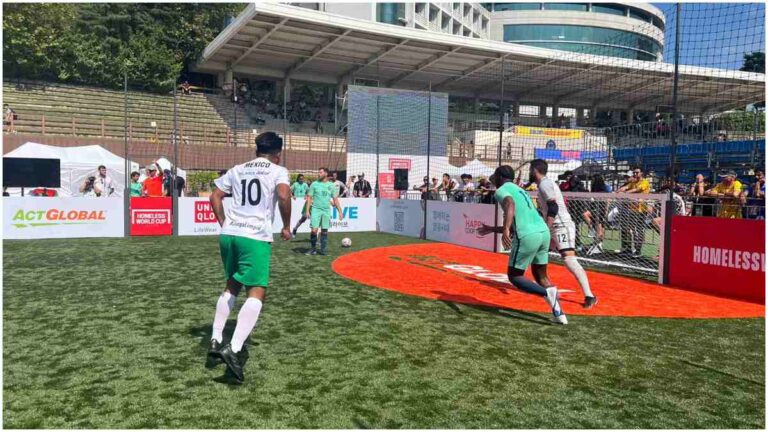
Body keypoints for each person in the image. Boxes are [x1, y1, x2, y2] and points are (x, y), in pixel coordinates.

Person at [206, 131, 292, 384]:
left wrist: (224, 223)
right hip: (254, 237)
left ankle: (215, 337)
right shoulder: (277, 170)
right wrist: (286, 226)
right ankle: (232, 349)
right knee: (257, 291)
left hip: (230, 235)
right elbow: (285, 195)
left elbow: (215, 196)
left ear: (257, 150)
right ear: (278, 153)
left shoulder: (238, 168)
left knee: (232, 285)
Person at [477, 165, 567, 325]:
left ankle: (547, 292)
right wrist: (492, 229)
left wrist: (505, 229)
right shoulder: (520, 190)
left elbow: (509, 204)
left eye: (495, 176)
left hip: (527, 236)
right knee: (541, 276)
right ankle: (559, 313)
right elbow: (516, 220)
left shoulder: (502, 190)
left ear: (500, 177)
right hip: (543, 232)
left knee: (515, 276)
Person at [529, 159, 597, 309]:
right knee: (539, 253)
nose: (529, 172)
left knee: (569, 260)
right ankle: (545, 285)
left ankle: (590, 295)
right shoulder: (544, 184)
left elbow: (553, 207)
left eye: (530, 169)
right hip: (555, 226)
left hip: (561, 226)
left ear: (535, 170)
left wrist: (547, 227)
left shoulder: (545, 184)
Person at [305, 167, 343, 255]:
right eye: (319, 172)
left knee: (324, 231)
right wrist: (307, 211)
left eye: (321, 172)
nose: (319, 174)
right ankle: (313, 249)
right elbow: (309, 198)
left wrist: (340, 211)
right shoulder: (314, 184)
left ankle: (323, 250)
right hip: (315, 209)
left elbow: (335, 200)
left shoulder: (331, 185)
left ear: (326, 174)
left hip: (326, 211)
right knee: (314, 230)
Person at [617, 168, 650, 257]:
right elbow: (626, 187)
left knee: (639, 230)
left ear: (641, 173)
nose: (635, 174)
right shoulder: (633, 182)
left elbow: (637, 190)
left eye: (637, 172)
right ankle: (629, 249)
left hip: (641, 210)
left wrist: (625, 193)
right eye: (634, 172)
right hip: (632, 209)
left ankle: (638, 251)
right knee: (630, 229)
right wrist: (619, 190)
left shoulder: (645, 182)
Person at [582, 174, 608, 255]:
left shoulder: (603, 190)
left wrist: (606, 211)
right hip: (594, 208)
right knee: (596, 223)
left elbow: (606, 201)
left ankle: (599, 244)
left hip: (600, 209)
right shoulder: (593, 189)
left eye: (593, 179)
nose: (592, 181)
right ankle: (596, 240)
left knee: (599, 225)